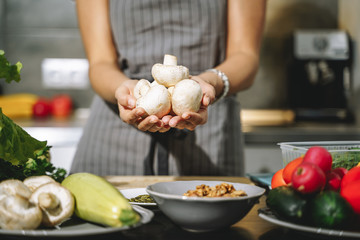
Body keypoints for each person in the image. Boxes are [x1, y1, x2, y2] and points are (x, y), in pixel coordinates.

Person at [71, 0, 267, 176]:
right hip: (113, 133)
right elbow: (100, 62)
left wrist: (210, 82)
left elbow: (245, 56)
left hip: (208, 130)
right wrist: (124, 91)